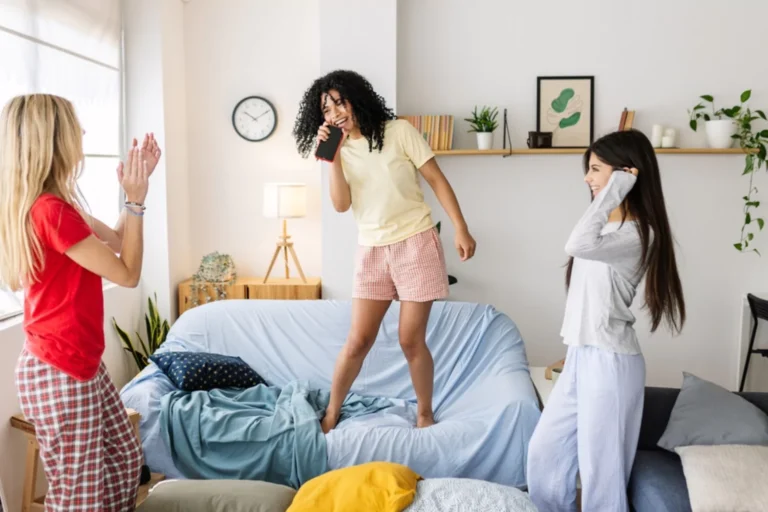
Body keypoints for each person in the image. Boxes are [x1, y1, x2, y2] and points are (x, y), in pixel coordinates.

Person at [0, 94, 162, 511]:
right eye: (76, 126)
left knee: (125, 460)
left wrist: (133, 193)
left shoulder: (61, 205)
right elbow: (127, 274)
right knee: (80, 498)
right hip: (60, 371)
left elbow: (119, 242)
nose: (84, 133)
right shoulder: (50, 212)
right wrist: (139, 202)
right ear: (54, 138)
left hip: (77, 363)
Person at [293, 70, 476, 432]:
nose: (334, 113)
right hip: (372, 249)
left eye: (339, 102)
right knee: (358, 340)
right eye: (326, 109)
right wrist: (332, 158)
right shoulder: (338, 150)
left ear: (356, 98)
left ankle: (424, 413)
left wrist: (460, 227)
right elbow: (342, 205)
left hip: (416, 242)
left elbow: (437, 179)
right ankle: (332, 412)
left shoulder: (400, 132)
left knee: (411, 340)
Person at [526, 129, 686, 512]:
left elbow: (576, 244)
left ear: (626, 174)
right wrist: (574, 351)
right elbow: (587, 292)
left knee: (602, 473)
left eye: (596, 169)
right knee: (544, 454)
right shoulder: (608, 229)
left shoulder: (638, 234)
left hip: (612, 362)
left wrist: (615, 189)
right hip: (584, 356)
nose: (587, 178)